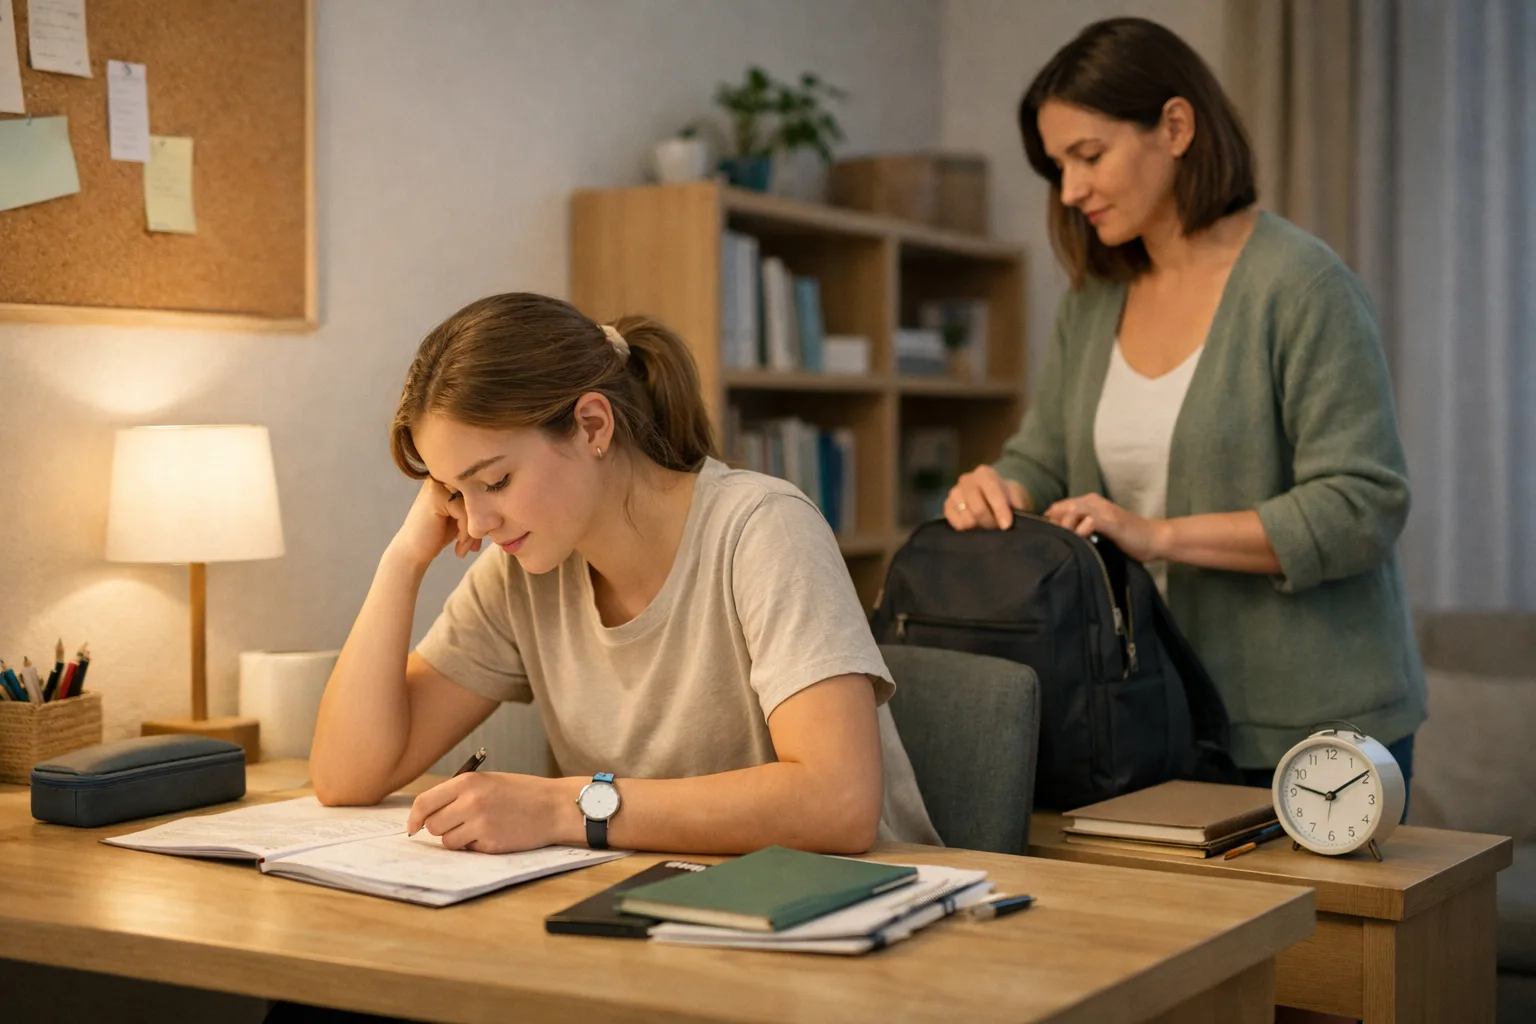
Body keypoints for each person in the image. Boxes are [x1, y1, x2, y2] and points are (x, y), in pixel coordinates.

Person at [945, 17, 1425, 797]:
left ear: (1174, 126)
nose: (1069, 191)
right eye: (1057, 166)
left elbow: (1361, 507)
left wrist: (1158, 535)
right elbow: (1043, 455)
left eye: (1088, 156)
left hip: (1313, 735)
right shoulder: (1093, 301)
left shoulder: (1302, 286)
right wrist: (998, 485)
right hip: (1150, 713)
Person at [309, 292, 939, 855]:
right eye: (452, 492)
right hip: (669, 916)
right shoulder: (522, 571)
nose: (474, 524)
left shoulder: (762, 529)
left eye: (495, 480)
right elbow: (346, 777)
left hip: (850, 926)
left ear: (592, 425)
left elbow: (839, 804)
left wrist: (563, 806)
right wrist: (403, 559)